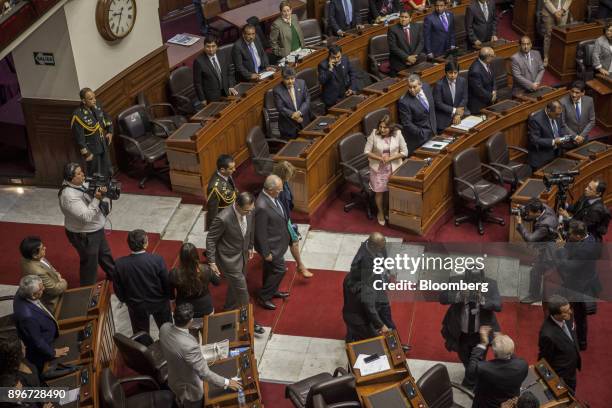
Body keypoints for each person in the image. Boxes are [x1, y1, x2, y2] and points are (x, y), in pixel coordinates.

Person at [159, 303, 241, 408]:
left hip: (174, 379)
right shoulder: (189, 346)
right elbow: (204, 373)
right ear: (191, 321)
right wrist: (227, 382)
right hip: (190, 390)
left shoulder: (164, 328)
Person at [440, 269, 501, 388]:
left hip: (481, 334)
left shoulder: (491, 284)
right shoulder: (455, 281)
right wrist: (458, 295)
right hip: (460, 334)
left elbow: (498, 305)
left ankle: (470, 383)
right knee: (465, 359)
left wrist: (483, 300)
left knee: (479, 361)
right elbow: (442, 298)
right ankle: (471, 377)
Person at [58, 162, 115, 286]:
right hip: (84, 234)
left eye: (81, 171)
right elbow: (86, 217)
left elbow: (88, 188)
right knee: (89, 263)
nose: (83, 175)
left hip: (96, 229)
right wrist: (97, 199)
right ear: (70, 178)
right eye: (79, 174)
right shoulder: (68, 196)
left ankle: (114, 275)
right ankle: (88, 290)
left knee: (104, 254)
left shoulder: (78, 184)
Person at [554, 220, 602, 351]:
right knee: (559, 301)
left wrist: (560, 249)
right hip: (575, 280)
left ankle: (582, 343)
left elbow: (568, 266)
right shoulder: (588, 237)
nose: (568, 236)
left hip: (580, 285)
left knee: (580, 316)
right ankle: (561, 322)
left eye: (571, 234)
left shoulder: (586, 250)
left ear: (579, 236)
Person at [113, 229, 172, 335]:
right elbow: (166, 282)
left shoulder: (120, 264)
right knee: (167, 331)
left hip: (136, 305)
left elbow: (118, 287)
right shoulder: (157, 260)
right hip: (159, 302)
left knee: (141, 335)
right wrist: (169, 297)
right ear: (145, 244)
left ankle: (145, 351)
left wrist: (126, 301)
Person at [342, 233, 394, 341]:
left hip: (350, 315)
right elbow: (370, 308)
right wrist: (381, 326)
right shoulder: (366, 287)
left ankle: (351, 338)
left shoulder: (348, 279)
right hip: (360, 319)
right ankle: (392, 340)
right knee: (377, 338)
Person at [13, 275, 69, 373]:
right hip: (46, 347)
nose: (44, 288)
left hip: (43, 326)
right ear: (33, 295)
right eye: (41, 288)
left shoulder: (23, 290)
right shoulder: (28, 317)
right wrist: (53, 352)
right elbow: (37, 342)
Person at [254, 175, 291, 310]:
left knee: (270, 269)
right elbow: (260, 232)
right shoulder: (262, 206)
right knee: (280, 270)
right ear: (270, 189)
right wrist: (266, 252)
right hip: (271, 247)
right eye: (278, 190)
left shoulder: (271, 197)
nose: (280, 192)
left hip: (277, 242)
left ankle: (271, 290)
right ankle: (264, 297)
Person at [466, 327, 528, 408]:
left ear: (494, 354)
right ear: (512, 350)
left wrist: (483, 344)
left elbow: (470, 373)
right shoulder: (523, 365)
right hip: (509, 403)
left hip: (486, 404)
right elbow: (514, 358)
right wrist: (504, 345)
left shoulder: (484, 368)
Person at [272, 161, 314, 278]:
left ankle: (295, 265)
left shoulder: (283, 183)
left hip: (286, 218)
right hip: (281, 220)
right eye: (289, 175)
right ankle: (300, 266)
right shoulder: (276, 187)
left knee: (289, 242)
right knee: (293, 241)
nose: (291, 178)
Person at [364, 115, 408, 225]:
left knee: (390, 191)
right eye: (380, 127)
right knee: (379, 192)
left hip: (393, 167)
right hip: (378, 168)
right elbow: (366, 151)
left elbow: (405, 152)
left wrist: (390, 158)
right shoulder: (374, 134)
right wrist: (379, 158)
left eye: (385, 127)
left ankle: (389, 210)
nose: (382, 130)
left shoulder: (397, 134)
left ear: (391, 128)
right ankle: (380, 212)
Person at [515, 198, 558, 303]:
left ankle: (534, 296)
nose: (527, 213)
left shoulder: (545, 225)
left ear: (538, 212)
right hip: (547, 244)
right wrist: (522, 208)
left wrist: (520, 225)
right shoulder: (543, 207)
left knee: (535, 272)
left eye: (529, 212)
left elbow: (530, 239)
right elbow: (532, 214)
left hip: (548, 250)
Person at [538, 295, 581, 392]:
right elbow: (544, 360)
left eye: (569, 308)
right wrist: (551, 382)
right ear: (556, 315)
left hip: (571, 368)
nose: (571, 312)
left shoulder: (568, 315)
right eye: (566, 311)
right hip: (562, 375)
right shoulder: (547, 335)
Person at [71, 88, 113, 177]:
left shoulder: (97, 105)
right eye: (90, 99)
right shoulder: (78, 115)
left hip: (103, 144)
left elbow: (106, 117)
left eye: (94, 97)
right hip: (92, 150)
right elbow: (80, 139)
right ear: (83, 101)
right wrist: (87, 154)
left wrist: (110, 131)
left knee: (108, 169)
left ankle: (108, 188)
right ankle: (97, 190)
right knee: (96, 174)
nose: (94, 100)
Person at [170, 243, 220, 318]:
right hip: (205, 308)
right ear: (196, 256)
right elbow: (217, 282)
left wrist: (173, 303)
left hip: (185, 310)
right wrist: (216, 271)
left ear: (181, 257)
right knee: (207, 329)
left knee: (189, 328)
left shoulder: (174, 273)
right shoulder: (206, 269)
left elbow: (170, 293)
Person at [19, 236, 67, 312]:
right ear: (35, 255)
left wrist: (56, 273)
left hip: (54, 280)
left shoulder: (26, 257)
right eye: (42, 248)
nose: (45, 248)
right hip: (54, 302)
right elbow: (54, 290)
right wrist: (63, 282)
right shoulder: (38, 272)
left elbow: (48, 266)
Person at [526, 101, 573, 169]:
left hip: (558, 151)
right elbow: (535, 140)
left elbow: (562, 126)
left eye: (560, 114)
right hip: (543, 155)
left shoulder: (558, 112)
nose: (559, 116)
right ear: (548, 111)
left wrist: (564, 137)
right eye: (557, 114)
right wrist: (553, 141)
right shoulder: (536, 120)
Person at [398, 74, 437, 154]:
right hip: (419, 138)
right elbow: (407, 124)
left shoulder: (426, 87)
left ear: (420, 84)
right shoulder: (404, 102)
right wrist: (421, 133)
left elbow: (431, 110)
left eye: (414, 87)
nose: (412, 90)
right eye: (409, 87)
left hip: (433, 131)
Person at [193, 36, 237, 104]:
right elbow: (197, 83)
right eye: (208, 46)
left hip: (226, 90)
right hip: (212, 96)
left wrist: (231, 85)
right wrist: (202, 99)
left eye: (213, 46)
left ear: (217, 46)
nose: (211, 49)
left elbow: (229, 71)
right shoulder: (199, 62)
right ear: (204, 47)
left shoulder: (222, 53)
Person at [273, 66, 312, 139]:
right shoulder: (277, 90)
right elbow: (280, 108)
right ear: (282, 78)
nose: (290, 81)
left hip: (304, 120)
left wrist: (300, 112)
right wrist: (294, 116)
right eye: (287, 79)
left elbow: (307, 99)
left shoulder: (301, 83)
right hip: (288, 125)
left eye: (292, 78)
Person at [434, 60, 469, 132]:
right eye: (450, 73)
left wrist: (458, 114)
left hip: (460, 113)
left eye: (455, 73)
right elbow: (438, 104)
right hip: (445, 116)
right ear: (446, 72)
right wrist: (455, 111)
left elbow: (464, 98)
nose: (453, 75)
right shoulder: (439, 85)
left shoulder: (462, 81)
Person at [387, 10, 425, 76]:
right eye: (401, 17)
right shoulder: (392, 29)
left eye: (406, 17)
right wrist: (407, 58)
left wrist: (414, 57)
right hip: (399, 60)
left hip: (415, 59)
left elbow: (421, 42)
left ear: (410, 19)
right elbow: (393, 47)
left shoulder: (417, 26)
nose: (403, 19)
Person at [206, 154, 237, 230]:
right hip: (224, 218)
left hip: (231, 212)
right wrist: (216, 228)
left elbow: (232, 189)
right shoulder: (215, 188)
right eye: (231, 168)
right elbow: (213, 211)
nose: (234, 170)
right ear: (222, 169)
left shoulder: (225, 174)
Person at [541, 0, 572, 66]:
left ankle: (557, 57)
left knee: (560, 36)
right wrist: (555, 12)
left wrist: (562, 10)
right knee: (549, 35)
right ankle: (546, 57)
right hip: (549, 13)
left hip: (563, 14)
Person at [467, 47, 496, 114]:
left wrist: (494, 90)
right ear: (488, 57)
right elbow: (479, 90)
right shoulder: (475, 70)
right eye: (493, 56)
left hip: (488, 99)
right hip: (479, 104)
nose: (494, 57)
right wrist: (491, 96)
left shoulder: (487, 63)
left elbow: (493, 77)